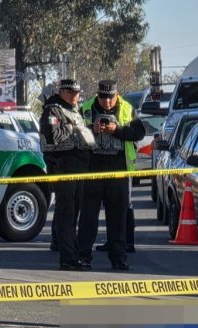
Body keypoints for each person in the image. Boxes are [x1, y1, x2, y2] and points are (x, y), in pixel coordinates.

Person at [79, 80, 145, 270]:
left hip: (118, 169)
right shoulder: (86, 109)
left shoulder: (126, 108)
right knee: (88, 217)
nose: (107, 102)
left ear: (117, 95)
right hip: (93, 169)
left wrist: (118, 130)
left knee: (118, 217)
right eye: (103, 98)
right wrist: (94, 130)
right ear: (97, 95)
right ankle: (84, 256)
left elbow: (139, 132)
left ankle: (118, 258)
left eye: (111, 98)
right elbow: (75, 135)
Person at [39, 78, 95, 271]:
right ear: (62, 91)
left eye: (77, 93)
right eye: (71, 93)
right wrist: (75, 129)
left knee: (73, 216)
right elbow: (54, 136)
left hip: (78, 169)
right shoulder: (52, 110)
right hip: (63, 169)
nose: (76, 97)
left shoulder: (74, 110)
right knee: (66, 216)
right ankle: (68, 259)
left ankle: (74, 255)